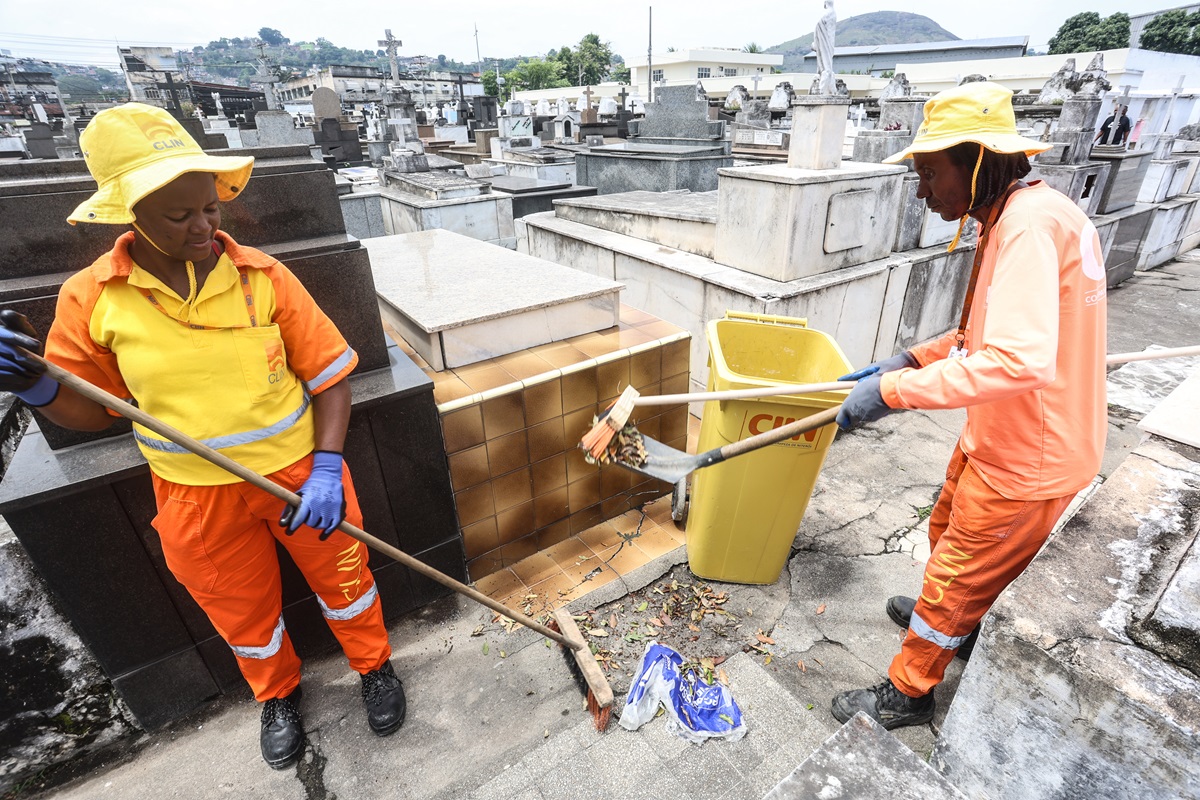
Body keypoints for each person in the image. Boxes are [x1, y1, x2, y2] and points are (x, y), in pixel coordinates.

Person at [0, 103, 406, 768]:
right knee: (241, 613)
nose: (204, 225)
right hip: (193, 496)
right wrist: (35, 386)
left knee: (346, 579)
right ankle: (277, 695)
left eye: (210, 207)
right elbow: (93, 411)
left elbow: (331, 378)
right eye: (179, 214)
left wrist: (328, 466)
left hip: (300, 479)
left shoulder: (262, 278)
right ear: (130, 214)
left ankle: (375, 666)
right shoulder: (93, 298)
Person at [829, 81, 1107, 729]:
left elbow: (1017, 361)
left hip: (1028, 455)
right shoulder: (1020, 213)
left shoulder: (1028, 229)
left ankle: (910, 690)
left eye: (929, 172)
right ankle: (958, 619)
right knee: (944, 530)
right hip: (1008, 430)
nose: (921, 192)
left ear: (978, 159)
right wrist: (909, 361)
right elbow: (981, 339)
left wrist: (891, 394)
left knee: (956, 572)